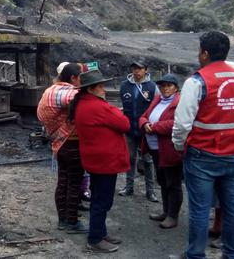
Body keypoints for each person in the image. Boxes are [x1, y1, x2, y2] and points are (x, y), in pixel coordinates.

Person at [172, 31, 234, 259]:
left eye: (200, 51)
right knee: (233, 208)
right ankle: (232, 255)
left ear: (205, 53)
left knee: (199, 210)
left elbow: (182, 124)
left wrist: (180, 147)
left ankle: (195, 255)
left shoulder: (197, 81)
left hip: (202, 155)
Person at [69, 69, 131, 253]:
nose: (104, 89)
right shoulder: (98, 106)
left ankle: (100, 232)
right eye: (101, 86)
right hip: (105, 162)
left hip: (96, 159)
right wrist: (111, 108)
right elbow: (125, 124)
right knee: (101, 201)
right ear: (91, 89)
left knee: (98, 197)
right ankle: (95, 238)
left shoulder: (83, 104)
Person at [37, 63, 87, 234]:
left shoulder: (49, 91)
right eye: (81, 78)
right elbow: (81, 98)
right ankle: (72, 222)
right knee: (74, 184)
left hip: (59, 143)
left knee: (63, 182)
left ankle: (62, 220)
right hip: (72, 143)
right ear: (73, 78)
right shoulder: (68, 92)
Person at [139, 74, 183, 229]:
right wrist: (145, 123)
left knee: (173, 183)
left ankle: (173, 216)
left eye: (169, 85)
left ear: (176, 87)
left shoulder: (180, 102)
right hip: (155, 149)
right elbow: (144, 116)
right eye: (162, 85)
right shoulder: (157, 99)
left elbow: (177, 122)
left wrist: (154, 127)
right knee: (163, 181)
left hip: (170, 150)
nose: (165, 88)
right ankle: (166, 211)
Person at [119, 61, 159, 202]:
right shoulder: (124, 86)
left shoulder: (152, 87)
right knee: (130, 158)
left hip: (145, 130)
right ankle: (129, 187)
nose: (137, 71)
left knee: (147, 160)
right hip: (129, 129)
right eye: (134, 68)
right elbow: (123, 106)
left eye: (140, 69)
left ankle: (150, 191)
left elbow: (157, 107)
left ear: (145, 70)